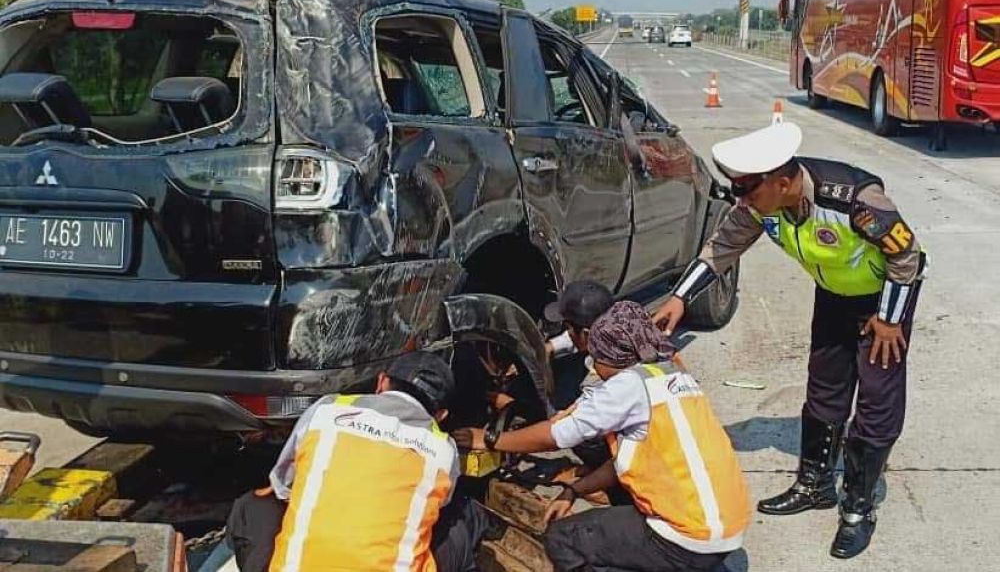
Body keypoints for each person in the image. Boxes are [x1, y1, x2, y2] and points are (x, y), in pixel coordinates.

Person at [652, 122, 926, 559]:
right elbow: (721, 247)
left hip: (882, 303)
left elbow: (906, 254)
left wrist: (890, 320)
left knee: (877, 401)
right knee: (824, 389)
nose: (743, 201)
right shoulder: (764, 204)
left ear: (783, 182)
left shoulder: (856, 201)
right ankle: (814, 484)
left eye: (749, 191)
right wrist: (680, 298)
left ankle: (857, 508)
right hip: (835, 296)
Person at [454, 301, 750, 572]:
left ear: (613, 355)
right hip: (726, 528)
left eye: (596, 357)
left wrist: (490, 439)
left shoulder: (628, 387)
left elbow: (558, 435)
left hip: (690, 537)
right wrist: (575, 490)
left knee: (562, 538)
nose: (594, 366)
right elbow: (627, 461)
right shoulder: (671, 374)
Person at [226, 351, 490, 572]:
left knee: (252, 505)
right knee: (468, 513)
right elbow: (438, 507)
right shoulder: (443, 449)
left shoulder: (327, 409)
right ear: (441, 415)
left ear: (382, 382)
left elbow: (283, 485)